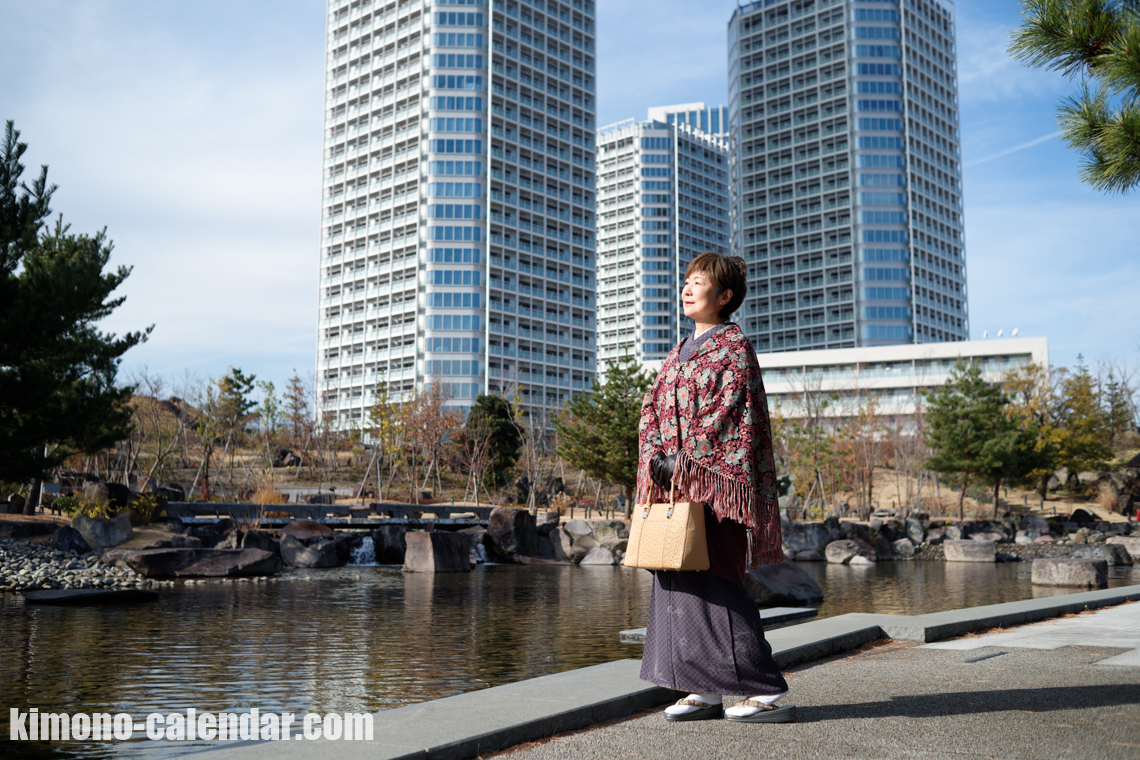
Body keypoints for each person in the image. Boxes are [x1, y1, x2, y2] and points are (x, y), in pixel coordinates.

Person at [635, 251, 793, 723]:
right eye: (686, 280)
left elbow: (729, 416)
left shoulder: (734, 347)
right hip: (674, 485)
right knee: (676, 579)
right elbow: (652, 410)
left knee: (719, 580)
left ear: (724, 297)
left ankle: (762, 688)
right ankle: (703, 687)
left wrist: (687, 460)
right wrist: (658, 459)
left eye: (698, 281)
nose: (687, 288)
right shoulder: (674, 353)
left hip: (715, 485)